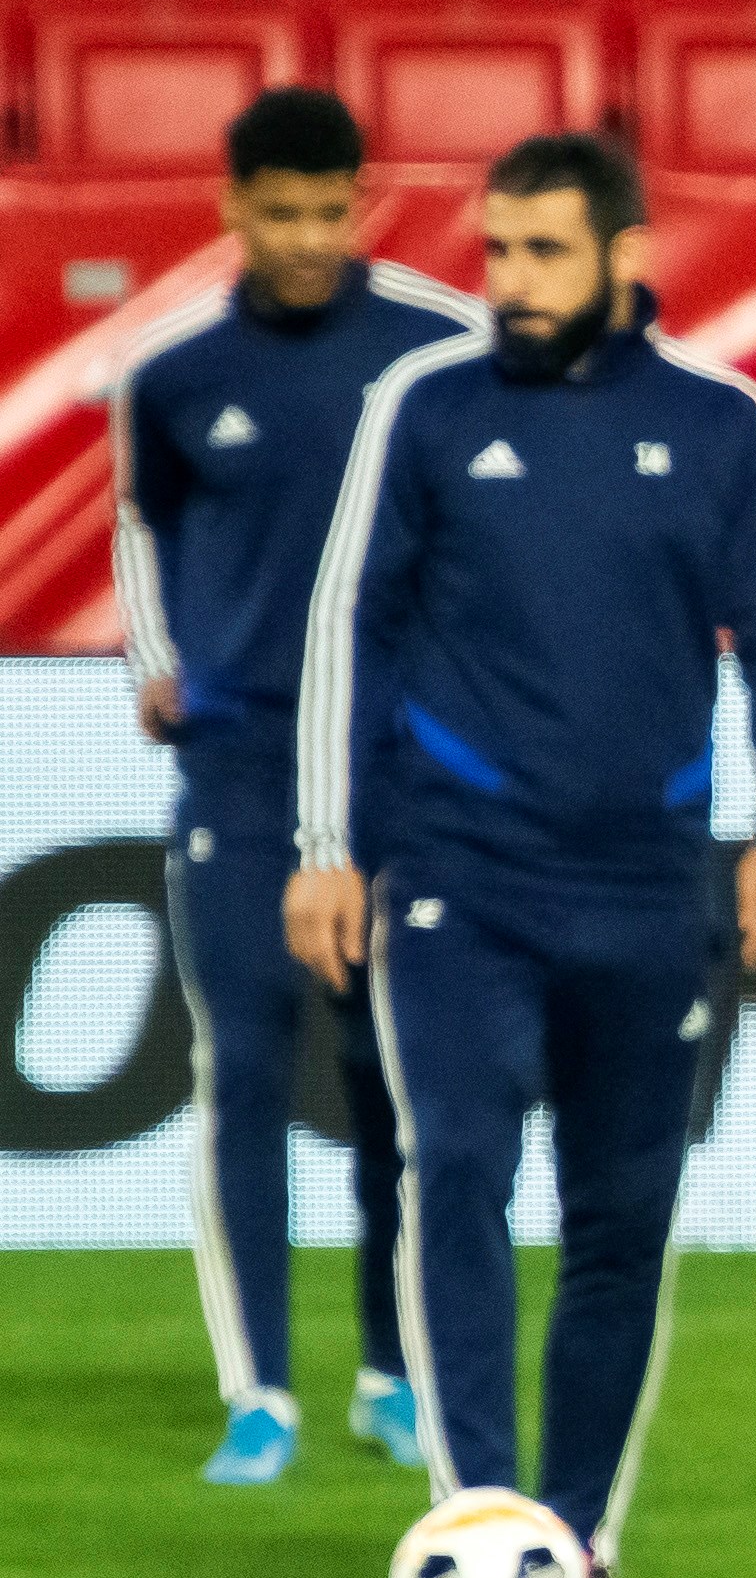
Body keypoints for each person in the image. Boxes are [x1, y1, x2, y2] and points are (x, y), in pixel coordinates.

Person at [286, 133, 756, 1578]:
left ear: (626, 257)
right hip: (460, 875)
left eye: (543, 254)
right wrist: (327, 847)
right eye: (497, 253)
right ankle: (476, 1517)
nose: (510, 284)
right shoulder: (428, 407)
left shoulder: (721, 425)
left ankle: (573, 1542)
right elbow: (354, 625)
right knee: (454, 1167)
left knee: (620, 1219)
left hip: (650, 883)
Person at [109, 87, 483, 1486]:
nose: (309, 236)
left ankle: (392, 1369)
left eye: (332, 209)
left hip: (404, 762)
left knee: (401, 1082)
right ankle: (259, 1390)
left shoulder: (442, 351)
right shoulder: (172, 375)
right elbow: (141, 525)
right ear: (232, 210)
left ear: (361, 201)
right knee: (247, 1067)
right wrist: (157, 661)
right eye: (282, 212)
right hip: (246, 759)